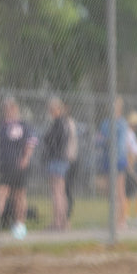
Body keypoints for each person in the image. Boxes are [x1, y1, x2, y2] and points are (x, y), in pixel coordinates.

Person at [0, 97, 39, 240]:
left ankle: (20, 225)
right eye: (7, 108)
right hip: (4, 166)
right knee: (2, 193)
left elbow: (31, 143)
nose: (9, 111)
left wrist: (25, 158)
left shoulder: (23, 125)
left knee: (19, 196)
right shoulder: (1, 126)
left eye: (11, 108)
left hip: (18, 166)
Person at [96, 95, 130, 230]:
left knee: (119, 191)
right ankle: (113, 219)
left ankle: (122, 220)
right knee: (110, 192)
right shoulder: (105, 123)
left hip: (118, 160)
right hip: (107, 160)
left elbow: (120, 144)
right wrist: (103, 141)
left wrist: (109, 142)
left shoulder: (122, 123)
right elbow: (100, 139)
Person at [42, 96, 74, 231]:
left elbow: (51, 141)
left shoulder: (59, 123)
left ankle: (58, 222)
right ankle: (63, 222)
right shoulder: (64, 123)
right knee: (60, 192)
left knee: (57, 192)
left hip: (57, 160)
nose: (50, 112)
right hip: (61, 159)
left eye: (52, 109)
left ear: (57, 109)